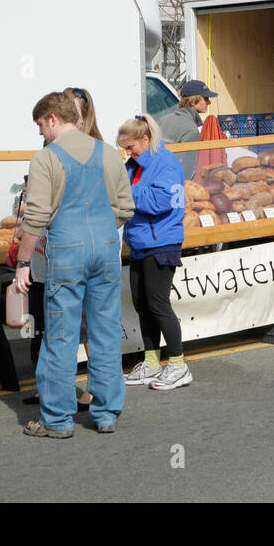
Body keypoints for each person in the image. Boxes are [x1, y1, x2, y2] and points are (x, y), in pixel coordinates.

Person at [14, 92, 134, 437]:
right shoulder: (108, 153)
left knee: (60, 336)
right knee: (105, 332)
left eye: (40, 125)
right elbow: (125, 208)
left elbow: (34, 217)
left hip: (67, 250)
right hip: (107, 248)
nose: (40, 133)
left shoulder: (45, 159)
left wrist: (23, 263)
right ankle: (107, 413)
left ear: (52, 118)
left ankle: (57, 420)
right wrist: (97, 224)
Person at [119, 114, 191, 390]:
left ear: (145, 140)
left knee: (159, 304)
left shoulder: (166, 162)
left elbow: (162, 201)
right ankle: (151, 361)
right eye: (125, 147)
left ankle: (178, 364)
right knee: (142, 304)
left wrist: (127, 193)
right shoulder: (134, 164)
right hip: (139, 242)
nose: (128, 152)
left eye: (131, 146)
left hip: (162, 242)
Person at [157, 78, 218, 181]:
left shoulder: (163, 119)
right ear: (193, 102)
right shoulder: (191, 131)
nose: (209, 102)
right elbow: (186, 173)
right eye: (206, 98)